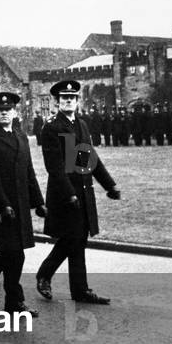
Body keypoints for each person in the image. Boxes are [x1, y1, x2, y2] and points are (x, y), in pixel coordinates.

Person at [36, 80, 121, 304]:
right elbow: (53, 166)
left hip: (83, 191)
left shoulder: (81, 125)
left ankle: (78, 289)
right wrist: (69, 193)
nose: (68, 101)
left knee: (77, 239)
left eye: (72, 98)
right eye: (64, 98)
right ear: (56, 101)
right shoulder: (51, 127)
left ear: (77, 101)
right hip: (64, 194)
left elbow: (89, 158)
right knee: (71, 238)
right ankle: (48, 275)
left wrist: (109, 185)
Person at [0, 92, 46, 317]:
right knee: (9, 252)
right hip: (1, 206)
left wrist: (38, 202)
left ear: (14, 112)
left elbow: (29, 172)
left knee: (15, 253)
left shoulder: (20, 136)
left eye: (8, 110)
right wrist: (3, 204)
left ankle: (10, 300)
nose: (4, 113)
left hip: (20, 204)